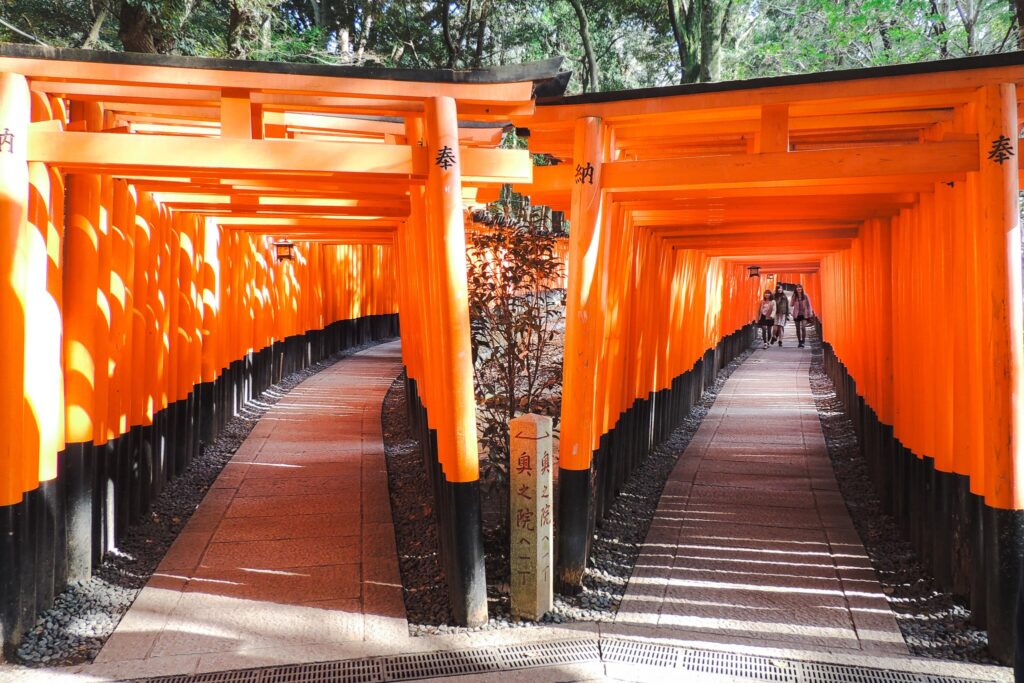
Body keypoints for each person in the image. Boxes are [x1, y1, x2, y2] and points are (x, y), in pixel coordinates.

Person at [791, 283, 814, 348]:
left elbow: (809, 305)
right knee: (797, 329)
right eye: (797, 287)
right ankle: (799, 342)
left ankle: (803, 341)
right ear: (796, 289)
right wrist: (791, 311)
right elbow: (791, 304)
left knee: (803, 327)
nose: (799, 288)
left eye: (800, 287)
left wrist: (810, 312)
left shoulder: (805, 296)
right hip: (796, 314)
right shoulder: (794, 296)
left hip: (804, 314)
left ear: (802, 288)